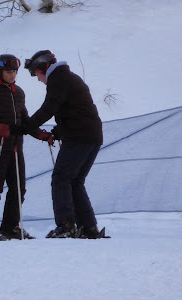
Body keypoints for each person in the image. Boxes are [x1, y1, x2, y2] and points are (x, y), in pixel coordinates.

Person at [0, 54, 53, 241]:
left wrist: (40, 134)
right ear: (0, 71)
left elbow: (25, 121)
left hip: (15, 147)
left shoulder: (18, 92)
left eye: (14, 71)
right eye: (8, 71)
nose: (12, 74)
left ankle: (9, 226)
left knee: (18, 188)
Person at [24, 50, 105, 239]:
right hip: (92, 136)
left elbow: (49, 108)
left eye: (36, 74)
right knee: (75, 181)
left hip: (79, 137)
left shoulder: (59, 79)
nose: (38, 80)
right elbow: (75, 109)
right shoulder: (68, 77)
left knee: (61, 179)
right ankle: (88, 228)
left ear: (44, 67)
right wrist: (60, 131)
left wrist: (26, 126)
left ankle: (66, 226)